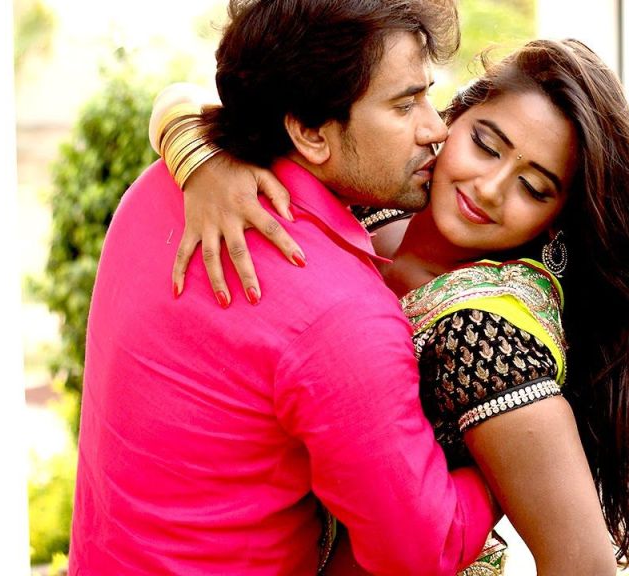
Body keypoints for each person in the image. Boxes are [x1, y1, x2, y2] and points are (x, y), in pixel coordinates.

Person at [155, 38, 629, 574]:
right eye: (486, 145)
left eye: (533, 188)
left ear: (555, 221)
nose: (490, 188)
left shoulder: (486, 331)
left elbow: (585, 563)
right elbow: (190, 100)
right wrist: (204, 163)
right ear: (451, 118)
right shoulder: (377, 204)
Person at [69, 1, 501, 575]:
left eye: (428, 95)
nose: (435, 128)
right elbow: (422, 548)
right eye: (404, 105)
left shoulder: (159, 189)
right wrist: (501, 471)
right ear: (310, 132)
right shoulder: (340, 315)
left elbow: (186, 108)